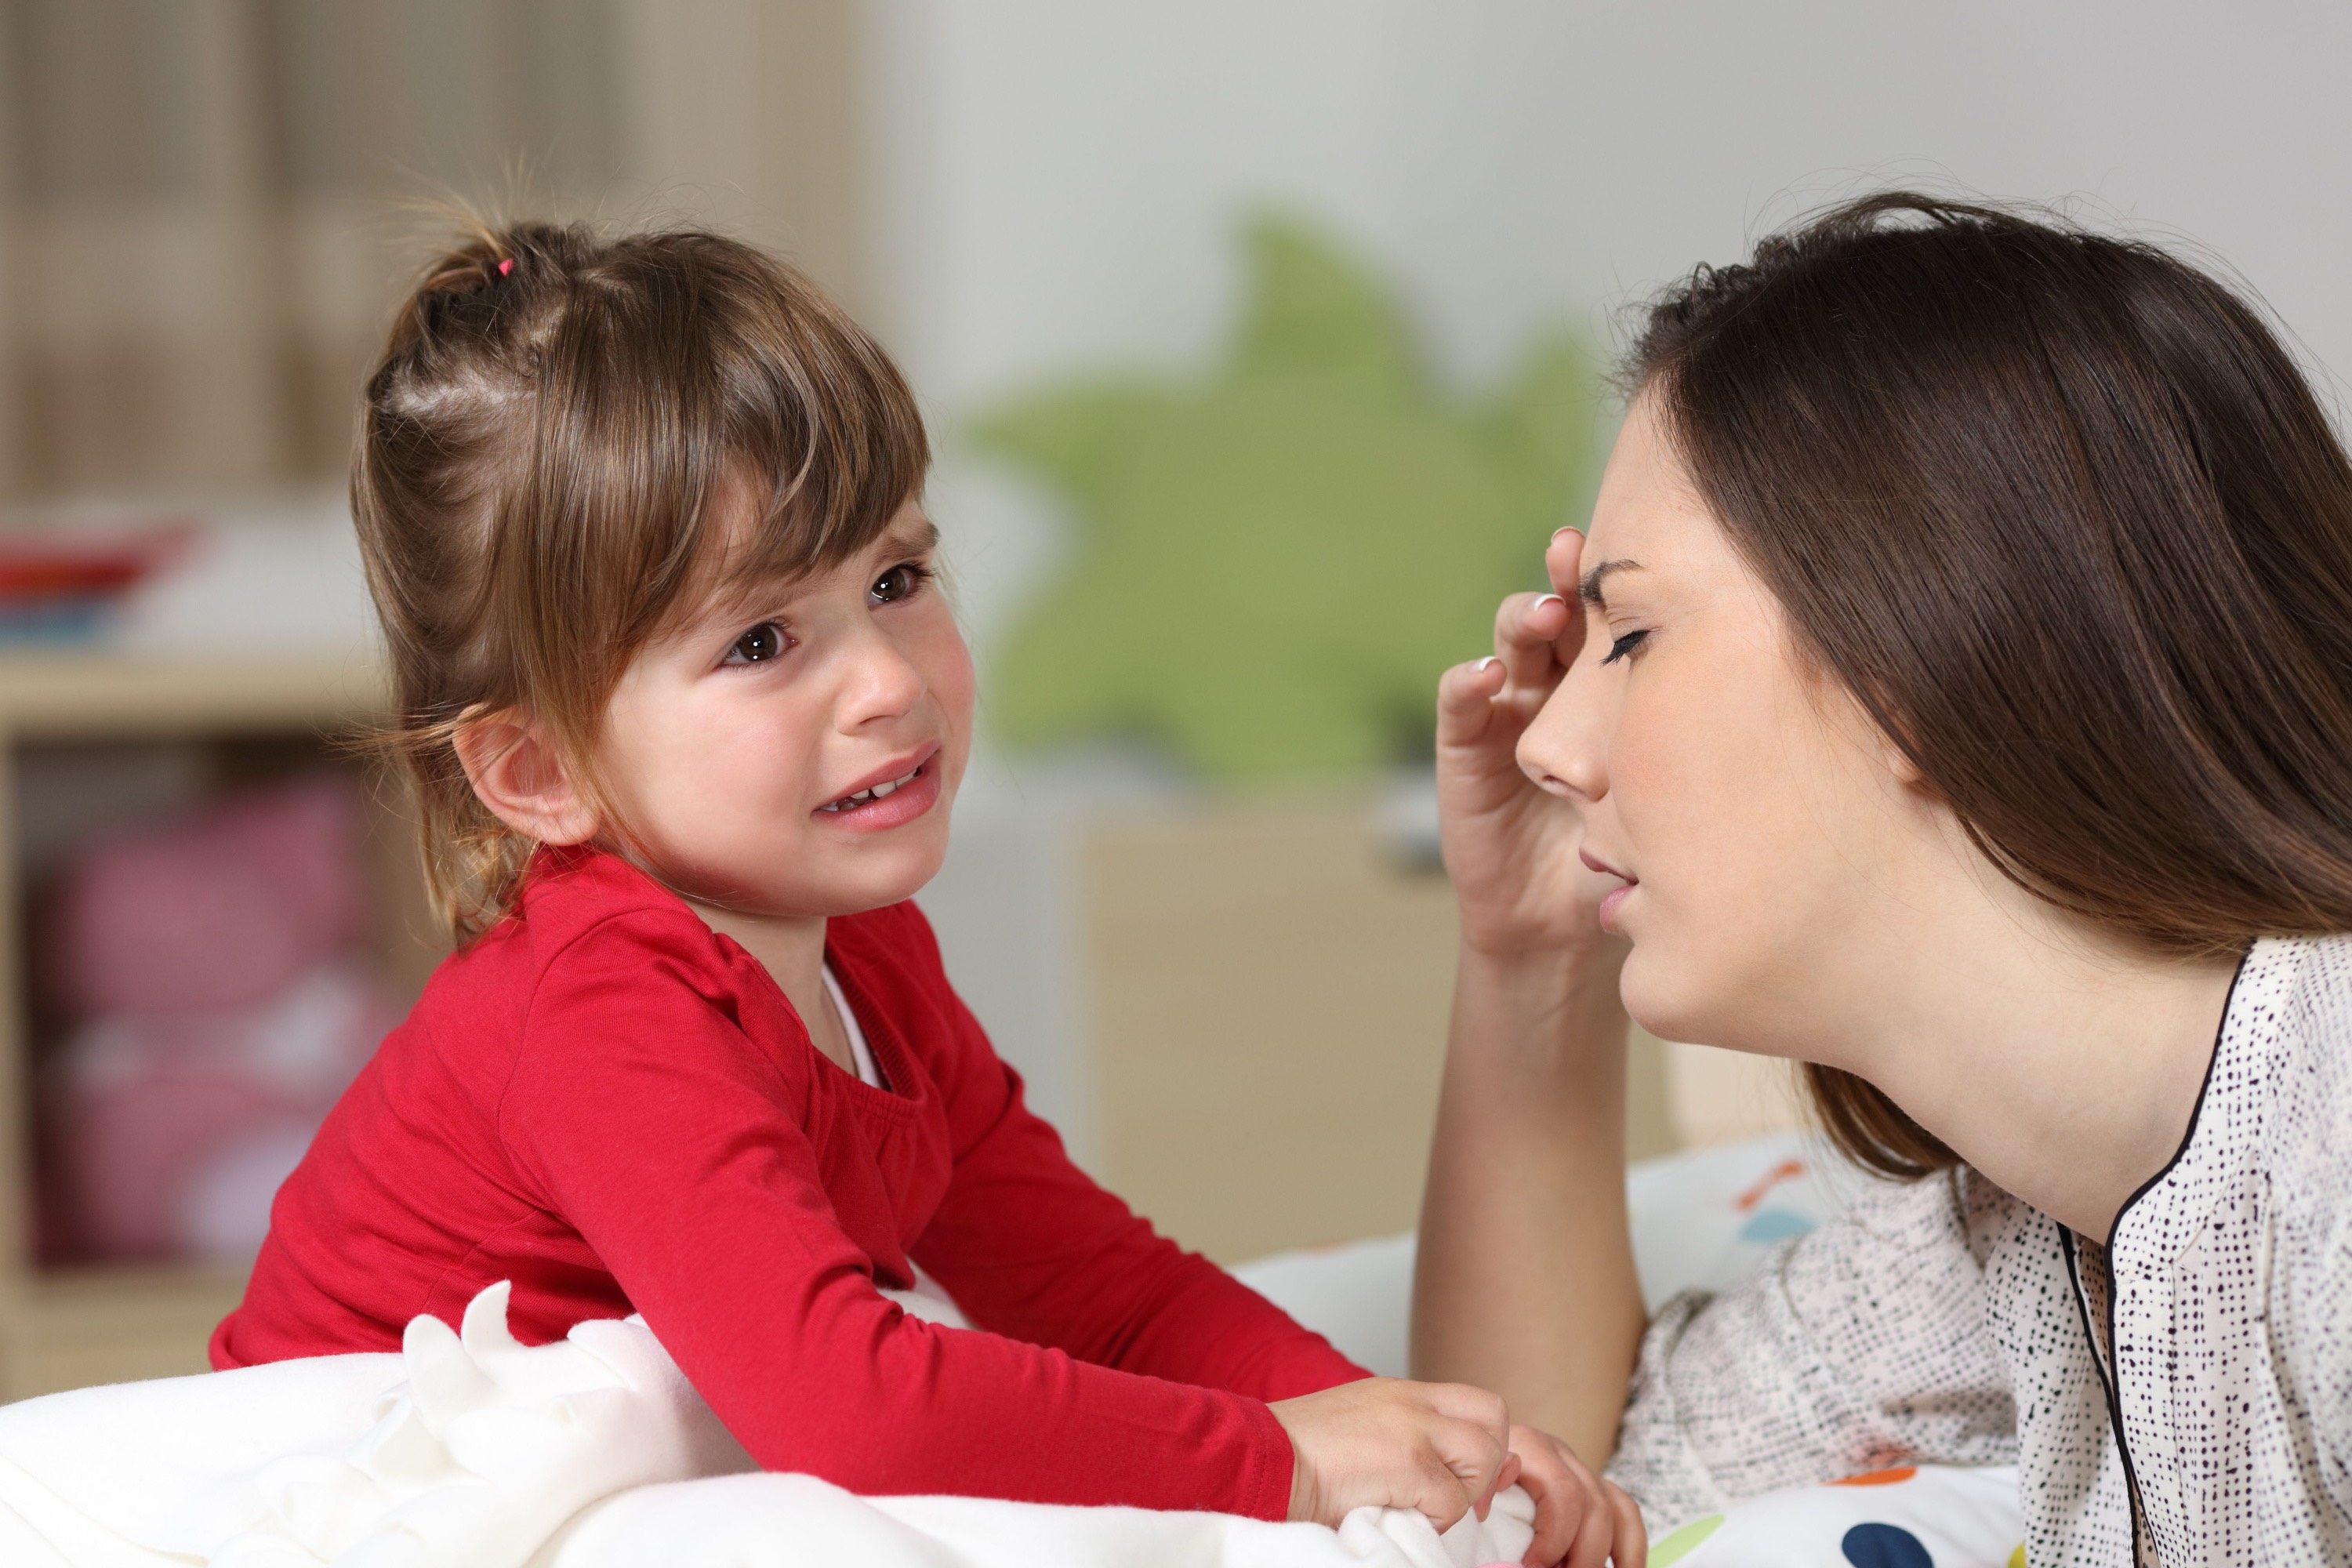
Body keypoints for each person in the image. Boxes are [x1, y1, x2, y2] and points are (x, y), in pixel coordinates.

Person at [209, 220, 1636, 1563]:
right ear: (535, 773)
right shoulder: (602, 1007)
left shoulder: (866, 959)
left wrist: (1429, 1440)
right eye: (764, 640)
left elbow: (1099, 1293)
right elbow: (856, 1408)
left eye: (898, 576)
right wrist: (1285, 1461)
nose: (890, 684)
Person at [1414, 192, 2352, 1563]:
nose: (1547, 740)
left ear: (1916, 652)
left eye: (1630, 636)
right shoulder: (2019, 1224)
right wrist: (1529, 951)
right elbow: (1554, 1490)